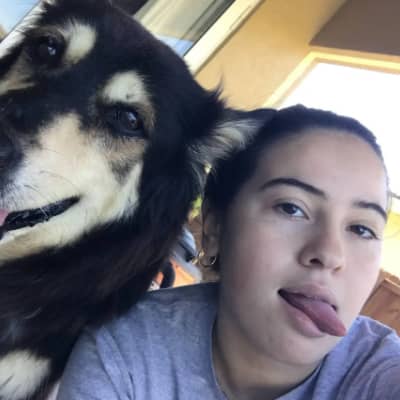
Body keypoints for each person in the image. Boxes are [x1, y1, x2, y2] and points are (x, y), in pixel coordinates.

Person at [56, 105, 400, 400]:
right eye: (291, 208)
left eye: (362, 229)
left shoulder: (379, 372)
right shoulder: (126, 351)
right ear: (215, 226)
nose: (330, 254)